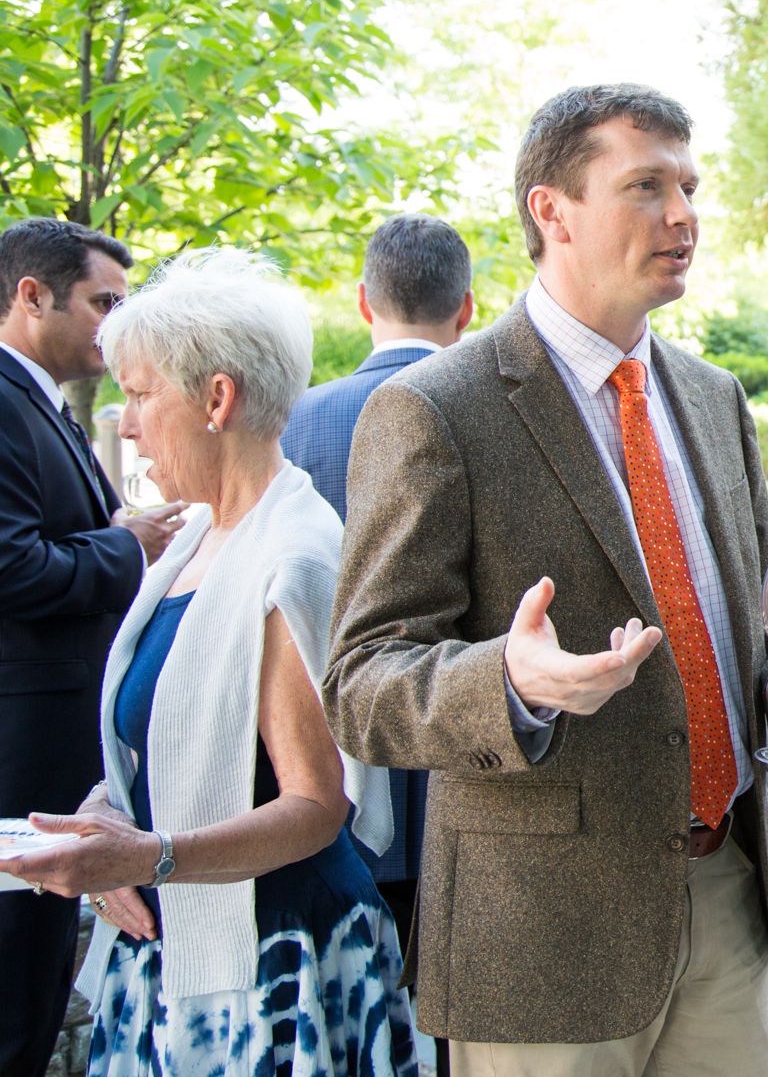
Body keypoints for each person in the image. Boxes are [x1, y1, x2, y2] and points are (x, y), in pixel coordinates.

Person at [322, 83, 768, 1075]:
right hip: (545, 939)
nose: (685, 215)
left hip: (729, 894)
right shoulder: (437, 408)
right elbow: (361, 683)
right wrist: (511, 682)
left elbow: (745, 629)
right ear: (551, 211)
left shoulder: (715, 397)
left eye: (689, 186)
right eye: (646, 186)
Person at [0, 249, 411, 1075]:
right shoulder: (194, 538)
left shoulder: (290, 556)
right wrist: (105, 815)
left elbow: (315, 806)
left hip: (274, 974)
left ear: (217, 399)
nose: (124, 421)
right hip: (178, 954)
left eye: (143, 394)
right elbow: (159, 737)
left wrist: (146, 856)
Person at [0, 218, 183, 1077]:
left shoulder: (39, 398)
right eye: (102, 302)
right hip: (21, 751)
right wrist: (129, 546)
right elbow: (11, 565)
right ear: (30, 297)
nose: (116, 323)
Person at [280, 213, 473, 939]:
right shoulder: (486, 413)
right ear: (468, 307)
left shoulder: (295, 422)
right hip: (456, 755)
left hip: (334, 765)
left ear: (364, 301)